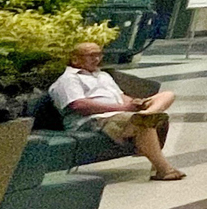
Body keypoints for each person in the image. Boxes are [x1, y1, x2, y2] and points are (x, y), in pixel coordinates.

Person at [50, 41, 186, 180]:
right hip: (95, 119)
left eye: (99, 55)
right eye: (91, 55)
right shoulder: (69, 79)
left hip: (121, 113)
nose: (96, 59)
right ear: (75, 58)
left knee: (167, 95)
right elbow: (78, 105)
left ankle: (146, 113)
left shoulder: (103, 76)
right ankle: (164, 170)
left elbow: (121, 97)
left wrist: (135, 103)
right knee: (145, 123)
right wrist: (123, 108)